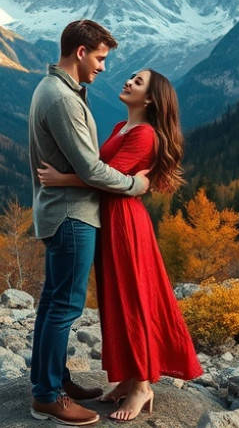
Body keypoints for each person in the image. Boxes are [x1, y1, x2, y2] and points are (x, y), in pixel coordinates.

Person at [38, 68, 204, 422]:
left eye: (138, 82)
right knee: (117, 298)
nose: (128, 81)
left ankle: (143, 386)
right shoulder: (121, 128)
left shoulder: (144, 135)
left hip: (126, 224)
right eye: (131, 77)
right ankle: (129, 378)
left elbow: (104, 179)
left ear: (149, 99)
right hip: (110, 220)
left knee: (136, 298)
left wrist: (60, 179)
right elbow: (103, 170)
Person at [28, 19, 150, 426]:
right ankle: (48, 396)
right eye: (99, 58)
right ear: (81, 52)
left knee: (52, 303)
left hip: (60, 210)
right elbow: (93, 169)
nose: (102, 67)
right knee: (63, 306)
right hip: (72, 215)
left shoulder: (55, 90)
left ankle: (53, 381)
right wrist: (135, 184)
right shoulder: (62, 98)